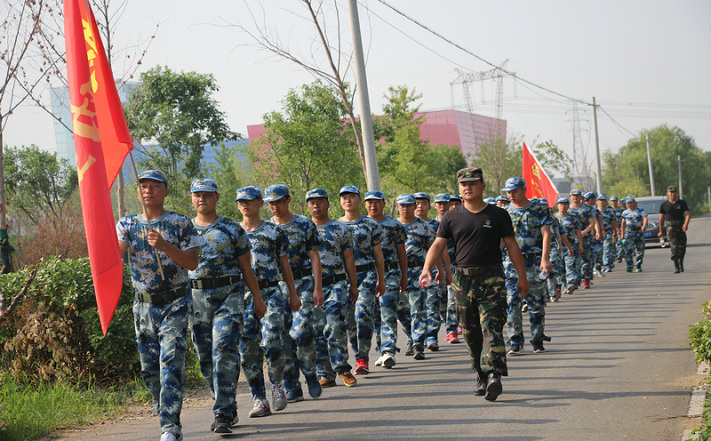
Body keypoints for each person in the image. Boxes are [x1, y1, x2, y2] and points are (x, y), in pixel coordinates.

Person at [420, 167, 529, 402]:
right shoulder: (451, 216)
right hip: (462, 280)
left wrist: (522, 277)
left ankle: (493, 375)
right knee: (470, 331)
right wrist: (427, 268)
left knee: (492, 325)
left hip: (492, 279)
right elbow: (438, 245)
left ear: (482, 186)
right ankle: (480, 373)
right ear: (459, 188)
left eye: (472, 183)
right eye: (463, 184)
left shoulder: (499, 215)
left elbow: (511, 246)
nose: (467, 187)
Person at [116, 170, 203, 441]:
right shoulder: (127, 224)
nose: (149, 190)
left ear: (165, 191)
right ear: (138, 190)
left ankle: (169, 427)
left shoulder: (179, 223)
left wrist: (164, 245)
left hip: (174, 303)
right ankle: (164, 413)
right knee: (151, 371)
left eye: (155, 186)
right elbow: (116, 253)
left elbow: (192, 263)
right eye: (144, 186)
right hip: (143, 307)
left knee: (171, 364)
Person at [187, 178, 266, 434]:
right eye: (197, 194)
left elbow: (246, 267)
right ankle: (226, 404)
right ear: (191, 198)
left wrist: (257, 299)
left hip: (229, 296)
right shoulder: (182, 230)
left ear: (217, 197)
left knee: (225, 350)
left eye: (207, 194)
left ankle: (222, 411)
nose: (202, 199)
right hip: (196, 299)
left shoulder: (232, 229)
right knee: (205, 356)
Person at [235, 186, 302, 418]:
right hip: (242, 297)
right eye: (240, 201)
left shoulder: (273, 232)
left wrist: (293, 294)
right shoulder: (233, 233)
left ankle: (276, 385)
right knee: (247, 350)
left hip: (271, 292)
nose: (245, 204)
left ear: (260, 203)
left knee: (273, 341)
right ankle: (259, 398)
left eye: (249, 200)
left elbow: (285, 266)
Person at [264, 184, 324, 402]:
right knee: (282, 337)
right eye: (271, 203)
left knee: (301, 331)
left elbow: (315, 256)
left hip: (304, 282)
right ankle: (291, 384)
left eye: (279, 201)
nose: (275, 207)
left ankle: (310, 373)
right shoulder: (266, 229)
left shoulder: (304, 224)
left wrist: (318, 287)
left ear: (287, 200)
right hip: (276, 287)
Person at [305, 188, 360, 388]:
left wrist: (353, 285)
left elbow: (349, 258)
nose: (316, 206)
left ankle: (343, 368)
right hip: (311, 286)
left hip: (336, 283)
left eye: (320, 202)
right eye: (312, 202)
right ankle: (325, 373)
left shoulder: (340, 228)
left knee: (336, 325)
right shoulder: (303, 228)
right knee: (318, 329)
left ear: (328, 204)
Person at [502, 177, 553, 355]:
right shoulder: (505, 212)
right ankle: (515, 340)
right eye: (508, 192)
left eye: (514, 191)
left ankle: (537, 339)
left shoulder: (539, 209)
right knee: (512, 303)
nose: (511, 195)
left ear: (524, 190)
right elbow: (501, 241)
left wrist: (545, 259)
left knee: (536, 303)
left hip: (533, 261)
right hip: (511, 265)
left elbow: (546, 234)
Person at [338, 185, 385, 375]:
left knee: (363, 314)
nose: (347, 200)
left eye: (351, 197)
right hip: (344, 278)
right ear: (340, 202)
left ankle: (362, 357)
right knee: (350, 321)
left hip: (366, 274)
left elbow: (378, 254)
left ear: (359, 200)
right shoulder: (336, 226)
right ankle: (356, 351)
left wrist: (381, 279)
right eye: (344, 197)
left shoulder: (371, 225)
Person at [364, 191, 408, 368]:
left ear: (383, 203)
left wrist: (404, 276)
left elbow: (401, 252)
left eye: (377, 202)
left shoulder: (394, 225)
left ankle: (389, 349)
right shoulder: (361, 224)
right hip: (367, 276)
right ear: (364, 204)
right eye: (370, 202)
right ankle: (382, 349)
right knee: (374, 315)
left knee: (388, 311)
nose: (373, 205)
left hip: (390, 274)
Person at [396, 193, 442, 360]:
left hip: (418, 271)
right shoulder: (392, 226)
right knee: (401, 310)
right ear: (397, 207)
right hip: (398, 272)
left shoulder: (424, 226)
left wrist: (439, 270)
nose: (406, 209)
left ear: (414, 207)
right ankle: (411, 336)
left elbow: (434, 249)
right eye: (403, 205)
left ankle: (418, 343)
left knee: (418, 308)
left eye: (409, 205)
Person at [414, 192, 452, 351]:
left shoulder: (436, 225)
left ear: (430, 206)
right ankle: (415, 339)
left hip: (433, 270)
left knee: (432, 302)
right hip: (412, 271)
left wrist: (445, 270)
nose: (419, 206)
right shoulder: (403, 225)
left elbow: (441, 250)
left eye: (423, 203)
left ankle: (431, 336)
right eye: (416, 203)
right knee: (415, 306)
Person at [434, 193, 460, 344]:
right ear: (435, 205)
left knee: (452, 299)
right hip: (437, 267)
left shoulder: (456, 222)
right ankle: (446, 323)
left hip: (455, 264)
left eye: (446, 203)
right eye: (440, 203)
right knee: (441, 301)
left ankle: (452, 330)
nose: (443, 206)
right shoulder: (431, 224)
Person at [569, 189, 597, 289]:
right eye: (573, 195)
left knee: (586, 258)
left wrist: (585, 231)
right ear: (571, 197)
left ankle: (586, 279)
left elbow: (592, 222)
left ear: (581, 197)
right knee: (573, 259)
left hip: (585, 237)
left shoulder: (587, 208)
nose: (575, 197)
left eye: (577, 195)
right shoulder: (567, 209)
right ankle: (575, 280)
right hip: (571, 238)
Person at [658, 186, 690, 273]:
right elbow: (661, 219)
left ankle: (681, 263)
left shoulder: (682, 203)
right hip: (670, 227)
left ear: (677, 193)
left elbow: (687, 214)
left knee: (682, 247)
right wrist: (661, 231)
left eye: (674, 192)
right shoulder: (664, 205)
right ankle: (676, 265)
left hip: (680, 226)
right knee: (674, 246)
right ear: (667, 193)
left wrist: (686, 224)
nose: (673, 194)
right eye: (671, 192)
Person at [555, 198, 583, 295]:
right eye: (561, 204)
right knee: (560, 267)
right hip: (557, 247)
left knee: (570, 264)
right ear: (558, 206)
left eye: (565, 204)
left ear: (568, 205)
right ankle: (564, 285)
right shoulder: (554, 218)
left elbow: (578, 231)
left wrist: (580, 244)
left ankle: (571, 283)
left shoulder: (573, 217)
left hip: (570, 245)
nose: (563, 206)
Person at [620, 196, 648, 272]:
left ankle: (638, 265)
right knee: (628, 250)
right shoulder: (625, 212)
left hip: (638, 232)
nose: (630, 205)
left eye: (631, 203)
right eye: (628, 203)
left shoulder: (640, 210)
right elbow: (623, 223)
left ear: (634, 203)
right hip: (629, 232)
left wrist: (644, 226)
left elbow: (645, 218)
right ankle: (629, 265)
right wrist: (622, 234)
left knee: (640, 250)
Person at [596, 194, 619, 273]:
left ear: (606, 202)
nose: (602, 202)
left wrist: (616, 230)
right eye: (600, 200)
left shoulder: (610, 210)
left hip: (608, 231)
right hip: (597, 233)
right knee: (599, 250)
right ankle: (600, 265)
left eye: (603, 200)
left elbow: (613, 221)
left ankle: (607, 265)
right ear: (597, 202)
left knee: (607, 248)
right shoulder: (595, 210)